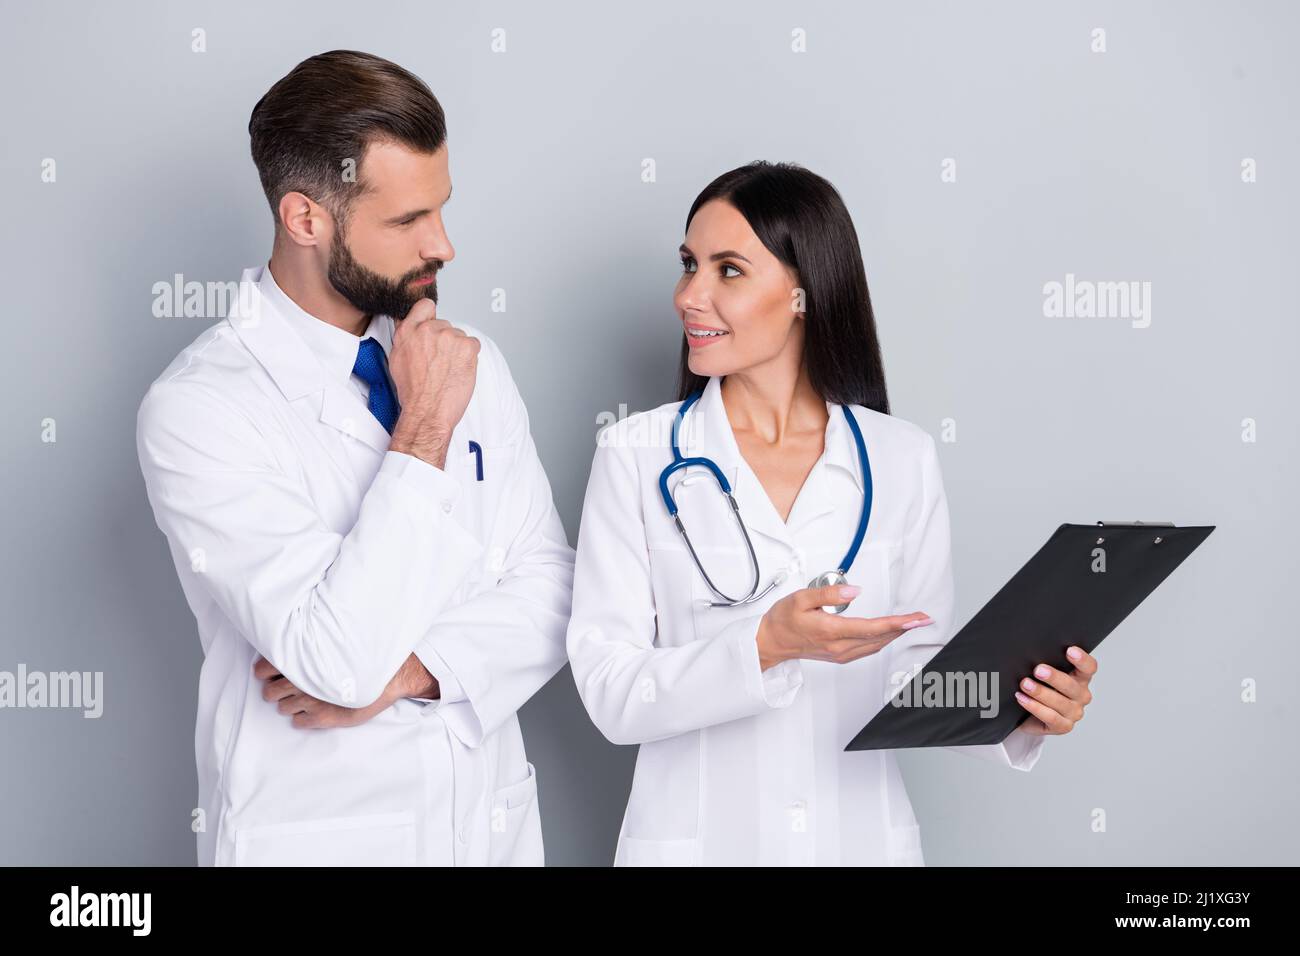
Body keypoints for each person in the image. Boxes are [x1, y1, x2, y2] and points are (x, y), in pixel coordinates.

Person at [565, 161, 1098, 866]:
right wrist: (765, 646)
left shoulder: (900, 457)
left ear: (803, 293)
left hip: (857, 844)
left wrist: (1022, 707)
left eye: (728, 270)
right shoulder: (636, 453)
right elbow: (611, 691)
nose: (688, 296)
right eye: (689, 264)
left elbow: (915, 673)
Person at [136, 50, 574, 866]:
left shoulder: (470, 359)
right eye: (409, 222)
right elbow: (335, 660)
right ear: (307, 219)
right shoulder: (200, 409)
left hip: (487, 830)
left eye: (441, 209)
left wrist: (413, 674)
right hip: (318, 834)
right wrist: (425, 434)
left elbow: (555, 589)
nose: (444, 245)